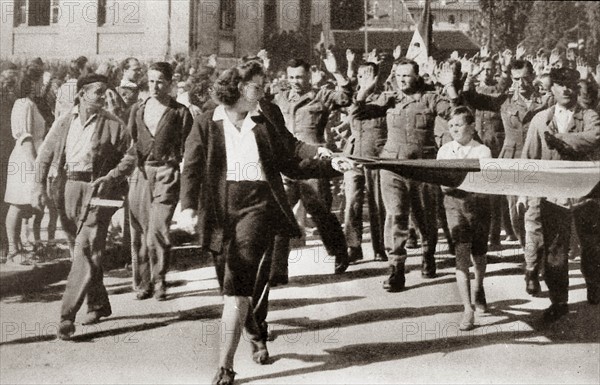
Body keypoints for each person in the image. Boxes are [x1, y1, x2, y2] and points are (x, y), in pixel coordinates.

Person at [178, 60, 356, 385]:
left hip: (257, 205)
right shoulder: (206, 122)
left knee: (237, 286)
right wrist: (187, 207)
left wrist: (331, 162)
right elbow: (191, 169)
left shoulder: (267, 115)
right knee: (231, 288)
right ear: (237, 89)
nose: (264, 92)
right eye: (257, 87)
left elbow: (291, 156)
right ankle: (254, 329)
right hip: (218, 210)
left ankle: (225, 366)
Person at [31, 74, 130, 340]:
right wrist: (38, 187)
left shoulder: (114, 124)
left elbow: (131, 155)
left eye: (105, 92)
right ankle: (98, 303)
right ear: (82, 94)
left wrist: (112, 177)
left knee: (85, 249)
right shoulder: (64, 122)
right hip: (66, 189)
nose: (103, 96)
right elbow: (45, 156)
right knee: (82, 251)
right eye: (98, 91)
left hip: (98, 191)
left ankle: (67, 316)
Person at [356, 58, 460, 291]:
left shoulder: (430, 97)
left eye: (407, 75)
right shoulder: (389, 97)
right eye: (399, 75)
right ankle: (396, 269)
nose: (402, 80)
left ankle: (427, 254)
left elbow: (456, 114)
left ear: (417, 76)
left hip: (423, 167)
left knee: (425, 217)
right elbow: (361, 114)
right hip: (392, 166)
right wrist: (364, 91)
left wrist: (450, 86)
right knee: (396, 215)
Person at [93, 62, 194, 301]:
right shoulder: (138, 110)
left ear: (170, 84)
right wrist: (113, 175)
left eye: (160, 81)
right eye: (151, 81)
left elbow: (190, 151)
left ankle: (159, 280)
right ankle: (143, 282)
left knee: (157, 231)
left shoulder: (180, 112)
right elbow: (131, 149)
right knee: (138, 234)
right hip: (140, 175)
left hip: (166, 174)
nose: (155, 86)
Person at [463, 59, 551, 295]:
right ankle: (528, 253)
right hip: (511, 160)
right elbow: (472, 99)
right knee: (515, 215)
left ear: (533, 76)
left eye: (524, 78)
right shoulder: (504, 101)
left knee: (535, 213)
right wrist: (469, 77)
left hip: (536, 160)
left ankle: (532, 267)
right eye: (514, 78)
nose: (520, 83)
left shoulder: (546, 100)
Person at [521, 67, 600, 322]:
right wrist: (526, 194)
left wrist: (559, 139)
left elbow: (594, 137)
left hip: (585, 194)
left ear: (576, 87)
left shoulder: (589, 115)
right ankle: (559, 301)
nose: (566, 89)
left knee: (593, 246)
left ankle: (595, 287)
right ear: (551, 88)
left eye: (570, 84)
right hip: (552, 196)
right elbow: (529, 159)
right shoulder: (539, 120)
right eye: (560, 84)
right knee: (555, 252)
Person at [271, 55, 353, 282]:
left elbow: (346, 97)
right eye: (291, 77)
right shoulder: (279, 98)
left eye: (299, 77)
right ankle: (278, 269)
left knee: (320, 212)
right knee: (280, 214)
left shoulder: (321, 95)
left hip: (313, 164)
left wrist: (337, 73)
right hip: (285, 164)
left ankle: (339, 252)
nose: (295, 81)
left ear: (308, 76)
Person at [437, 106, 493, 330]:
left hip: (479, 207)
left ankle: (478, 287)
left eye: (458, 125)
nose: (454, 130)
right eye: (450, 126)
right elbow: (443, 185)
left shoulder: (482, 151)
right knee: (461, 256)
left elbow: (483, 182)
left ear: (472, 127)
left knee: (479, 254)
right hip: (454, 206)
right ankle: (467, 309)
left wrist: (458, 180)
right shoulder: (444, 151)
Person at [344, 61, 387, 262]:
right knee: (352, 203)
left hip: (375, 155)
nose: (364, 80)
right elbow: (353, 115)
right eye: (361, 76)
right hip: (354, 155)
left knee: (377, 204)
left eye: (369, 75)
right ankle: (354, 246)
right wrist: (361, 94)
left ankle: (379, 247)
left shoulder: (385, 98)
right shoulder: (353, 98)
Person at [4, 72, 46, 265]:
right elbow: (25, 136)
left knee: (25, 204)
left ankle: (19, 247)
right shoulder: (24, 105)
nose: (41, 87)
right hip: (25, 158)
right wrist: (35, 163)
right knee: (17, 205)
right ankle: (13, 250)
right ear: (32, 84)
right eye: (39, 83)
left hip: (27, 156)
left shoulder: (28, 103)